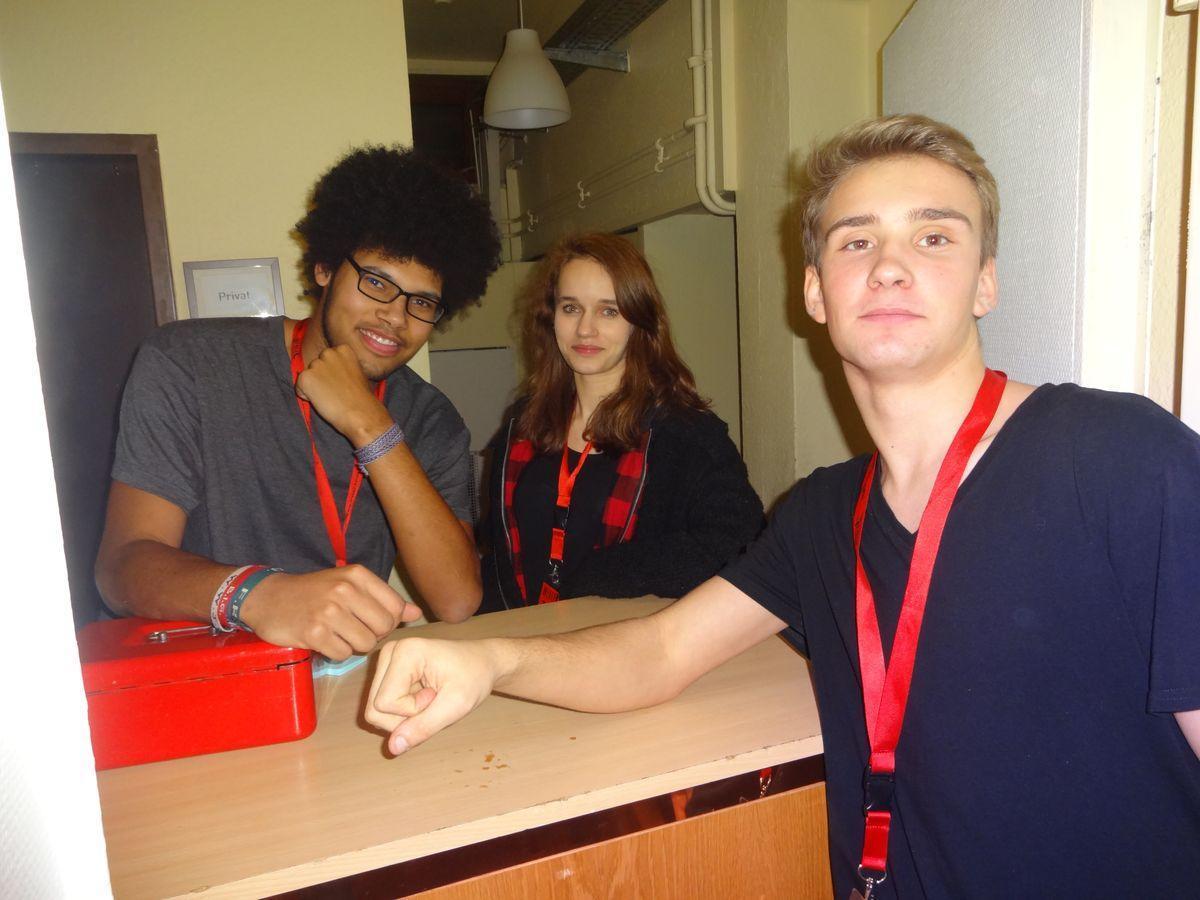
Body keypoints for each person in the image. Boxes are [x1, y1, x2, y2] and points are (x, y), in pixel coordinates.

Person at [365, 116, 1200, 897]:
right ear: (815, 292)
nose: (890, 265)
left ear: (985, 283)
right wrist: (490, 661)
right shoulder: (821, 516)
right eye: (857, 240)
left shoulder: (1121, 458)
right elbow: (661, 650)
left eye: (934, 236)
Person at [96, 146, 501, 660]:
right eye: (377, 282)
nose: (396, 317)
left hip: (344, 677)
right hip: (206, 672)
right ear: (325, 268)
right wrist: (260, 596)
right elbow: (122, 567)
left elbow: (457, 600)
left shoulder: (430, 416)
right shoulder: (190, 363)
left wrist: (372, 427)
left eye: (421, 302)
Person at [479, 232, 763, 611]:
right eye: (571, 308)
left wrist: (602, 576)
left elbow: (740, 541)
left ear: (638, 321)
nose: (585, 329)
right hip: (524, 634)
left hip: (625, 640)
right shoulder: (523, 423)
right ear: (551, 317)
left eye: (609, 311)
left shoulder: (686, 433)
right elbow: (499, 554)